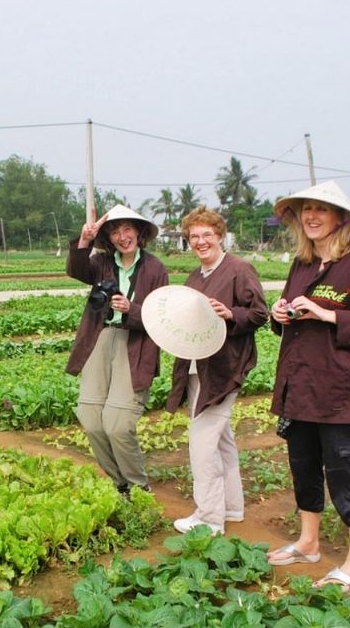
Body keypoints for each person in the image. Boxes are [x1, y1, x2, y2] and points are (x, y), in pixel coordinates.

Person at [266, 181, 350, 593]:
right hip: (299, 383)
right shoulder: (302, 263)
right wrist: (279, 314)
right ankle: (309, 542)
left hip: (339, 388)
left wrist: (327, 315)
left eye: (322, 209)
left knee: (342, 468)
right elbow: (286, 315)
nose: (312, 216)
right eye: (306, 209)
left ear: (342, 218)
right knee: (302, 463)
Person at [165, 206, 268, 534]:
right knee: (221, 440)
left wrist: (231, 314)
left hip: (225, 369)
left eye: (206, 234)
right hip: (197, 367)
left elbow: (259, 313)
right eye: (194, 236)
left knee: (202, 443)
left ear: (220, 235)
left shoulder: (239, 269)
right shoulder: (195, 277)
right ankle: (232, 507)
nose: (200, 241)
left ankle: (209, 518)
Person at [65, 204, 169, 495]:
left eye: (127, 229)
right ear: (108, 239)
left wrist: (131, 310)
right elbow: (77, 269)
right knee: (91, 419)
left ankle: (138, 486)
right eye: (114, 232)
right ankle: (119, 483)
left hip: (134, 344)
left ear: (139, 232)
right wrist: (85, 240)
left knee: (118, 425)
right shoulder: (101, 263)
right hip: (99, 339)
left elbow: (162, 316)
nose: (122, 237)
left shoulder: (155, 268)